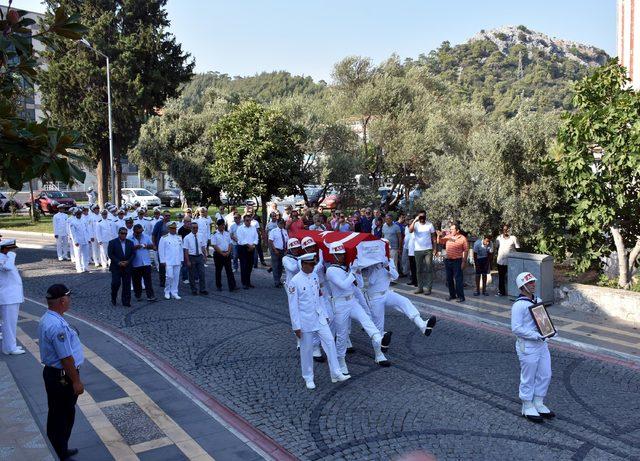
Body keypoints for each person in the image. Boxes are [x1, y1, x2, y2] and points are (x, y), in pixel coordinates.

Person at [325, 243, 390, 375]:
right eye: (339, 255)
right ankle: (341, 361)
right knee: (342, 335)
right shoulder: (331, 270)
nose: (342, 257)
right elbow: (343, 285)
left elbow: (359, 285)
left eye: (343, 254)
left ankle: (379, 339)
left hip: (352, 301)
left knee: (366, 319)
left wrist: (357, 272)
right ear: (333, 255)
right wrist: (353, 272)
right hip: (340, 304)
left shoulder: (347, 268)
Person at [288, 253, 350, 389]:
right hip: (305, 321)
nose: (313, 266)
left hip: (320, 317)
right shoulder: (295, 281)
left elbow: (320, 296)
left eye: (314, 264)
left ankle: (336, 373)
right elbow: (293, 307)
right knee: (307, 350)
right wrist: (296, 326)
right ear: (303, 264)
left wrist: (325, 313)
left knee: (329, 342)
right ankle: (308, 377)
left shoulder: (315, 276)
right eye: (310, 264)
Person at [38, 284, 84, 460]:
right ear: (63, 301)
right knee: (63, 416)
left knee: (57, 414)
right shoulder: (58, 326)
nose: (69, 300)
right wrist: (76, 381)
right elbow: (66, 358)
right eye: (68, 297)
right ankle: (60, 452)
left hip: (54, 375)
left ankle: (58, 448)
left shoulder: (47, 318)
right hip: (62, 378)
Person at [360, 255, 437, 346]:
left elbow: (395, 276)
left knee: (404, 301)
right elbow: (372, 281)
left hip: (386, 293)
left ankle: (423, 325)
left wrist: (387, 267)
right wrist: (377, 267)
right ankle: (379, 354)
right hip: (374, 297)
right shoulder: (371, 263)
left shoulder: (389, 260)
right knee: (378, 327)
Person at [511, 272, 555, 423]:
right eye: (530, 283)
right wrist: (535, 335)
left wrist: (550, 330)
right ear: (522, 287)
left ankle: (538, 401)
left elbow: (543, 320)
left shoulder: (538, 300)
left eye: (533, 282)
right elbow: (516, 328)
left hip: (542, 344)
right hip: (528, 346)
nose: (533, 284)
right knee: (528, 376)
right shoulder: (518, 305)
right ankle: (527, 404)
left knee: (546, 374)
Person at [0, 240, 25, 355]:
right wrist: (11, 255)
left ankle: (10, 346)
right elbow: (8, 268)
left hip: (11, 296)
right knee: (9, 324)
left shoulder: (5, 258)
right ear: (5, 249)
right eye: (11, 249)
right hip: (8, 297)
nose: (13, 251)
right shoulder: (3, 259)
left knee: (10, 323)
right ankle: (9, 348)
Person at [437, 222, 469, 303]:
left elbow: (466, 250)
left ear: (457, 230)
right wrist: (439, 235)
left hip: (457, 261)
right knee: (449, 279)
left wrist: (464, 262)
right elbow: (440, 241)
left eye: (452, 229)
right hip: (448, 261)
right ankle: (452, 295)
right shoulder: (448, 236)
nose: (450, 230)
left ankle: (461, 297)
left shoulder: (462, 238)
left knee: (458, 279)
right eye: (450, 229)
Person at [408, 211, 437, 295]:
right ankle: (420, 288)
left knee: (429, 269)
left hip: (428, 249)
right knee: (419, 269)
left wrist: (435, 248)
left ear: (425, 217)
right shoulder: (416, 224)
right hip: (418, 250)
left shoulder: (430, 225)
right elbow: (410, 231)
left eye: (423, 217)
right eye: (420, 217)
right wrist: (414, 221)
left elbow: (434, 237)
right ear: (418, 217)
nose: (422, 218)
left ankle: (428, 288)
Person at [107, 227, 135, 307]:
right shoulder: (112, 242)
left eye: (125, 234)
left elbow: (133, 254)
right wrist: (118, 262)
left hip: (127, 266)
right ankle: (113, 297)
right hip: (116, 267)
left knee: (127, 285)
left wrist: (128, 262)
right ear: (119, 233)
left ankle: (126, 301)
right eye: (122, 233)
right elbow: (110, 254)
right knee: (116, 283)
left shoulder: (130, 242)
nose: (124, 235)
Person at [129, 224, 157, 302]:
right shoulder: (129, 238)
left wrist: (145, 246)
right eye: (137, 233)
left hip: (146, 262)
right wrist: (135, 247)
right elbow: (127, 250)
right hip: (135, 263)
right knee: (136, 281)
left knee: (148, 281)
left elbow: (152, 246)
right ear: (134, 232)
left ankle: (150, 296)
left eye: (140, 232)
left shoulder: (146, 237)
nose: (139, 234)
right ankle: (138, 295)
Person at [158, 222, 184, 300]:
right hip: (168, 261)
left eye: (175, 228)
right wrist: (162, 260)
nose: (173, 230)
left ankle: (174, 292)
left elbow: (181, 249)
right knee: (169, 276)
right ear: (169, 229)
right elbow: (161, 250)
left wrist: (182, 259)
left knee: (176, 277)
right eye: (172, 228)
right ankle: (167, 291)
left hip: (177, 260)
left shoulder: (179, 237)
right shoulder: (164, 238)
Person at [211, 219, 237, 292]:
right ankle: (218, 285)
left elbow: (230, 243)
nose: (223, 226)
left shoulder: (227, 233)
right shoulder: (214, 234)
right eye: (222, 225)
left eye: (224, 225)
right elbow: (214, 245)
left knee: (229, 270)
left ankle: (232, 286)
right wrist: (222, 253)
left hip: (227, 254)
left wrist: (228, 251)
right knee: (218, 271)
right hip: (218, 254)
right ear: (218, 226)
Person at [183, 221, 208, 295]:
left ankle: (202, 289)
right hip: (191, 257)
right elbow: (186, 250)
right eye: (194, 228)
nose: (195, 229)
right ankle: (194, 290)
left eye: (197, 227)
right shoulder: (187, 238)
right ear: (191, 228)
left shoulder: (201, 235)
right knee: (192, 274)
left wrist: (205, 256)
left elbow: (203, 247)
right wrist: (187, 261)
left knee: (202, 274)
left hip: (200, 257)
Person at [495, 225, 520, 297]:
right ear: (502, 230)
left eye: (507, 229)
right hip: (501, 261)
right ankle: (501, 292)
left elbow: (518, 249)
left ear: (510, 230)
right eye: (504, 229)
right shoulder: (499, 238)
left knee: (513, 277)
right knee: (501, 277)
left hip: (511, 262)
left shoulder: (513, 238)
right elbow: (496, 247)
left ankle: (514, 293)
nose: (505, 231)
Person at [236, 214, 259, 289]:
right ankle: (244, 283)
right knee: (244, 266)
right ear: (244, 220)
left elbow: (256, 237)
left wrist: (253, 245)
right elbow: (241, 239)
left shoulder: (253, 228)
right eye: (247, 220)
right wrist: (249, 246)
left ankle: (248, 282)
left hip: (252, 248)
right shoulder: (240, 228)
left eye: (249, 220)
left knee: (250, 266)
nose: (248, 222)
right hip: (243, 248)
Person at [152, 210, 171, 287]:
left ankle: (169, 279)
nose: (168, 217)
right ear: (163, 216)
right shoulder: (159, 224)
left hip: (169, 246)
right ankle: (162, 281)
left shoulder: (171, 224)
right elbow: (153, 235)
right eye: (166, 215)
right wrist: (154, 245)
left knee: (170, 263)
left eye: (169, 215)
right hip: (161, 246)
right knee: (162, 263)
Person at [69, 208, 91, 274]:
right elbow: (73, 233)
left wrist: (88, 239)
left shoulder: (83, 220)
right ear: (75, 214)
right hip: (78, 241)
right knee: (78, 255)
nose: (79, 215)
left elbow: (87, 230)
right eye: (78, 214)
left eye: (80, 214)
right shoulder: (73, 222)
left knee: (85, 255)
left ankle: (85, 267)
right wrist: (75, 241)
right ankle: (79, 268)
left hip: (85, 240)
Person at [268, 218, 288, 288]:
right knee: (275, 266)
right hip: (275, 250)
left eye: (283, 223)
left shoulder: (285, 231)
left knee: (280, 266)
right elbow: (270, 241)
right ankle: (276, 281)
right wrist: (274, 250)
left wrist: (286, 249)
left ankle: (279, 280)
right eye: (280, 223)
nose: (282, 224)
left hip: (283, 250)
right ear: (277, 223)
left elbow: (287, 241)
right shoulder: (273, 231)